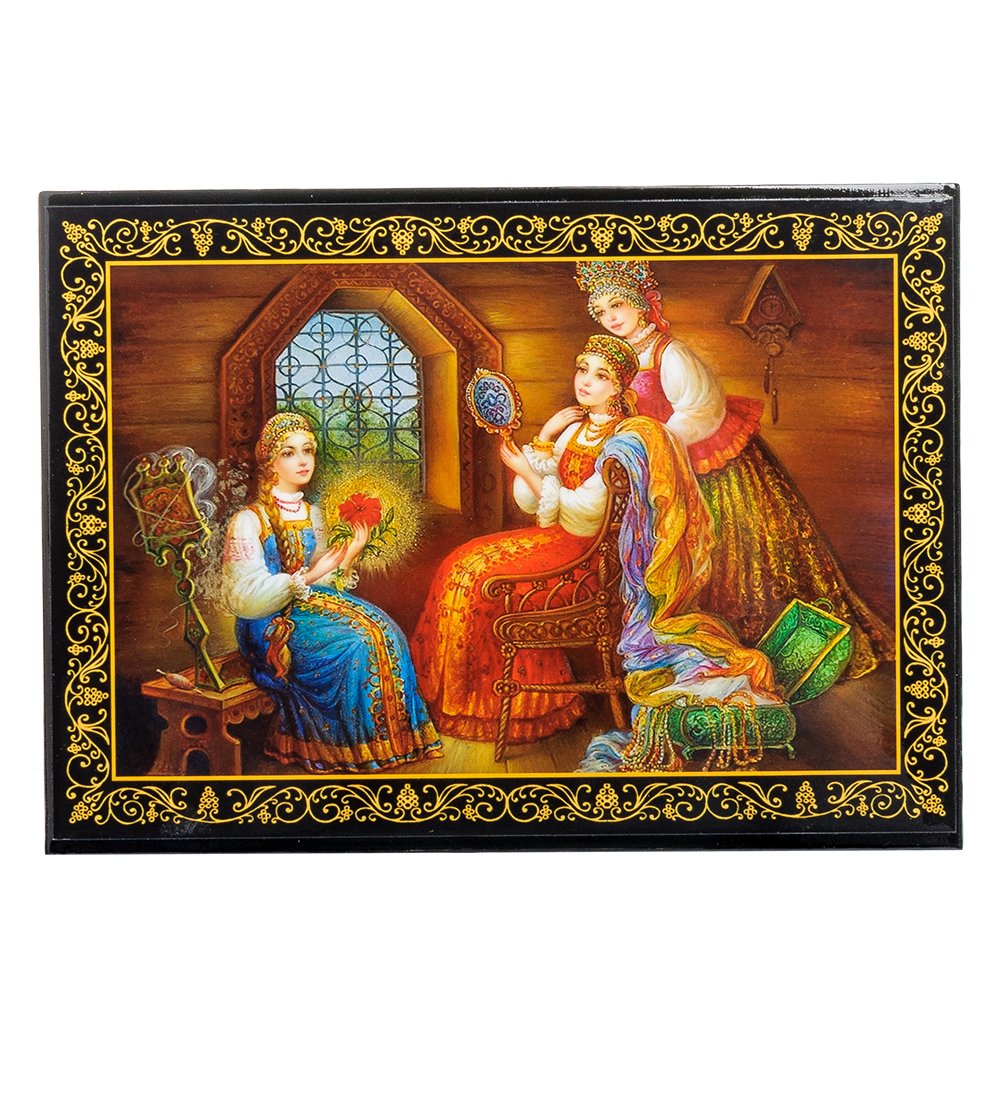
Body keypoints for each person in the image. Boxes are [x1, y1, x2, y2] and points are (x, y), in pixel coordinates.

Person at [575, 260, 894, 678]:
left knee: (736, 551)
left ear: (639, 303)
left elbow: (701, 411)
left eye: (617, 305)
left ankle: (766, 656)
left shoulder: (671, 353)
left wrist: (653, 445)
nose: (611, 317)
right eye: (601, 312)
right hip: (664, 470)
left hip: (710, 464)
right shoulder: (617, 359)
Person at [410, 334, 640, 745]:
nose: (586, 381)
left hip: (586, 561)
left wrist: (528, 471)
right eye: (582, 369)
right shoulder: (577, 429)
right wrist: (546, 437)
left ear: (619, 387)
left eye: (601, 375)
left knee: (480, 582)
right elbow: (533, 502)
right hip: (557, 540)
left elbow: (584, 514)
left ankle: (503, 709)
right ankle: (446, 698)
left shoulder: (621, 442)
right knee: (460, 565)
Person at [221, 412, 442, 772]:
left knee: (384, 630)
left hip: (309, 604)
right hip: (269, 622)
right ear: (271, 463)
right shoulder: (249, 520)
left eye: (307, 450)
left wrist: (351, 552)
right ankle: (350, 748)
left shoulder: (314, 514)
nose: (303, 460)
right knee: (356, 643)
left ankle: (391, 744)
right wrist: (310, 575)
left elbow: (325, 580)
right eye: (289, 453)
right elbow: (245, 597)